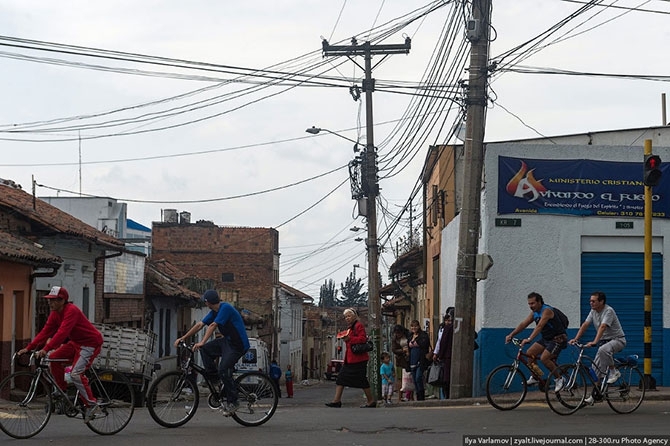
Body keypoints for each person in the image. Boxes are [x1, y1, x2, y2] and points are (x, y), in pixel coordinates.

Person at [18, 286, 104, 422]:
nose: (50, 303)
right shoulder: (55, 314)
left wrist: (46, 348)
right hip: (76, 343)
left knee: (76, 374)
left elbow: (62, 333)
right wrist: (29, 348)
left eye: (53, 300)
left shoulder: (72, 311)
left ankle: (91, 404)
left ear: (63, 300)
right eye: (49, 300)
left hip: (90, 344)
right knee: (53, 358)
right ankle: (61, 391)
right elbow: (45, 331)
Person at [174, 289, 250, 416]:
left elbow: (213, 325)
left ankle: (234, 402)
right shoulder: (213, 312)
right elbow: (200, 325)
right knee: (205, 350)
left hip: (238, 345)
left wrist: (202, 341)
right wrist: (183, 338)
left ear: (207, 302)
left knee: (223, 369)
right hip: (227, 342)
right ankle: (216, 380)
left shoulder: (225, 308)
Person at [569, 291, 626, 405]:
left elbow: (603, 326)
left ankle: (613, 371)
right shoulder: (593, 311)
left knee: (603, 349)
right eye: (590, 301)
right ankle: (594, 395)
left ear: (601, 302)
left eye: (593, 301)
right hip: (604, 342)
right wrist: (576, 338)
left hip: (618, 340)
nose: (591, 303)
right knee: (594, 372)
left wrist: (595, 341)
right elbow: (585, 324)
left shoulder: (608, 311)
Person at [505, 291, 568, 389]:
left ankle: (560, 379)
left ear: (539, 302)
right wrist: (511, 335)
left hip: (558, 339)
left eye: (533, 303)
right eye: (529, 304)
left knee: (544, 358)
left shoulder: (547, 310)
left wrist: (529, 339)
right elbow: (523, 324)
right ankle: (536, 376)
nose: (531, 306)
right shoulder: (534, 313)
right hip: (546, 339)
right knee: (530, 353)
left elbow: (539, 326)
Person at [325, 308, 376, 408]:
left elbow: (362, 338)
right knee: (341, 378)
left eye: (349, 316)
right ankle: (337, 400)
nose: (347, 318)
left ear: (355, 316)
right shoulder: (350, 328)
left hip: (358, 359)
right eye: (346, 317)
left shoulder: (358, 325)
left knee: (361, 380)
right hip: (350, 359)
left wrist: (349, 339)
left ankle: (370, 401)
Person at [407, 319, 431, 401]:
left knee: (418, 377)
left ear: (419, 326)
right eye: (412, 326)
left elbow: (425, 344)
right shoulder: (410, 336)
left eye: (416, 326)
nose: (414, 328)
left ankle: (421, 396)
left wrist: (416, 341)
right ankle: (418, 395)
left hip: (421, 359)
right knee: (414, 379)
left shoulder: (423, 335)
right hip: (412, 360)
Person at [433, 309, 454, 399]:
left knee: (446, 377)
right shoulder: (444, 328)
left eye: (450, 320)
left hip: (447, 356)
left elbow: (443, 342)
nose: (448, 322)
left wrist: (440, 355)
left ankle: (447, 395)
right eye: (447, 320)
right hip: (448, 355)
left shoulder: (448, 328)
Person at [391, 324, 410, 403]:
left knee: (409, 378)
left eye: (399, 333)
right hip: (400, 360)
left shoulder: (408, 336)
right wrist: (403, 350)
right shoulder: (394, 339)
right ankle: (400, 397)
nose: (398, 335)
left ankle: (410, 396)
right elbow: (394, 350)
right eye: (396, 333)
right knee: (400, 379)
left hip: (409, 359)